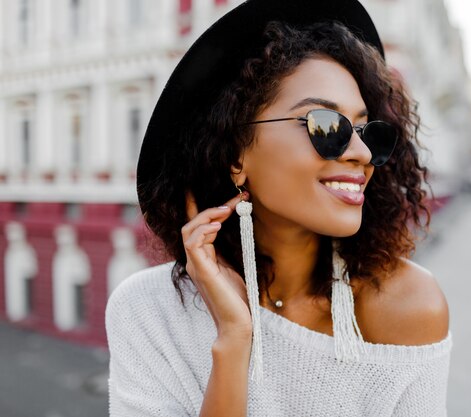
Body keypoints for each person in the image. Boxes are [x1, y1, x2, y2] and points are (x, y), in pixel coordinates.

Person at [105, 0, 452, 416]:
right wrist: (234, 339)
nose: (360, 152)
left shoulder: (410, 306)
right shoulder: (149, 310)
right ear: (236, 155)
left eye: (365, 130)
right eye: (326, 125)